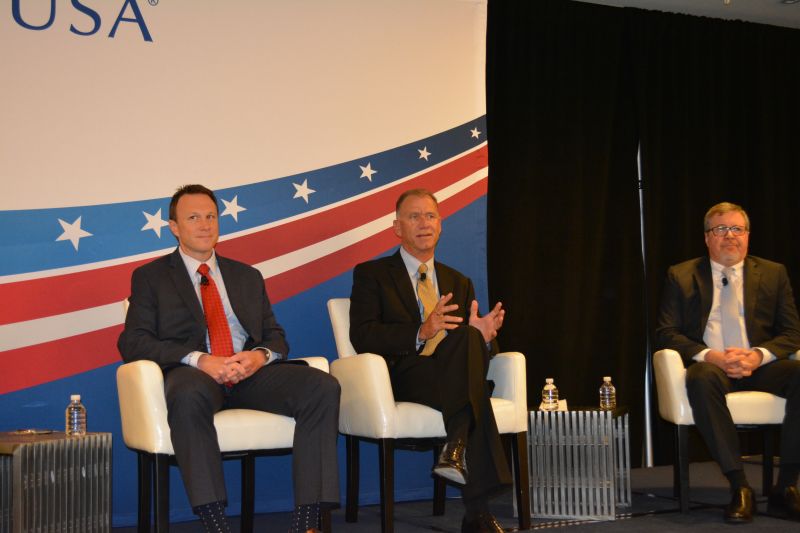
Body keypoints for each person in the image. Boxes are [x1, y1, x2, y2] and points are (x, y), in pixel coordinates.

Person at [118, 184, 340, 533]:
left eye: (211, 216)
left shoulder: (246, 276)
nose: (205, 225)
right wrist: (199, 359)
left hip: (248, 374)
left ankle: (307, 519)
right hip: (195, 375)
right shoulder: (151, 277)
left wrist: (259, 356)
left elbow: (276, 336)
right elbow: (133, 341)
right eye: (193, 218)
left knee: (321, 386)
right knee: (186, 394)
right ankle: (215, 521)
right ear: (174, 227)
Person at [349, 188, 511, 533]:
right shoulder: (372, 274)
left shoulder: (458, 281)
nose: (424, 223)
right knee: (473, 393)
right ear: (397, 228)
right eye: (414, 216)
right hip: (406, 373)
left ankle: (457, 451)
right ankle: (476, 507)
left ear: (441, 226)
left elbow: (477, 350)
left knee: (468, 339)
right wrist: (421, 330)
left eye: (431, 216)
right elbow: (362, 335)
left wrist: (484, 338)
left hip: (452, 374)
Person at [656, 201, 800, 524]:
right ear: (707, 238)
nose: (730, 236)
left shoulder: (774, 274)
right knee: (699, 378)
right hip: (714, 366)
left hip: (760, 366)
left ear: (748, 236)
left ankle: (786, 487)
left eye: (737, 229)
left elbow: (792, 332)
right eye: (720, 229)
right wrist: (713, 356)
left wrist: (757, 355)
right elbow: (666, 333)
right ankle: (740, 486)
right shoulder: (681, 275)